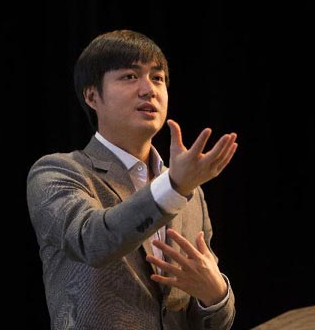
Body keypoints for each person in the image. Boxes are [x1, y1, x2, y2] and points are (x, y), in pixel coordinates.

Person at [27, 29, 238, 329]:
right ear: (92, 95)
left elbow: (210, 320)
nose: (148, 89)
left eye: (158, 78)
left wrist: (214, 294)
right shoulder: (59, 172)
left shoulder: (191, 192)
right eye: (129, 76)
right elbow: (93, 241)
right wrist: (174, 187)